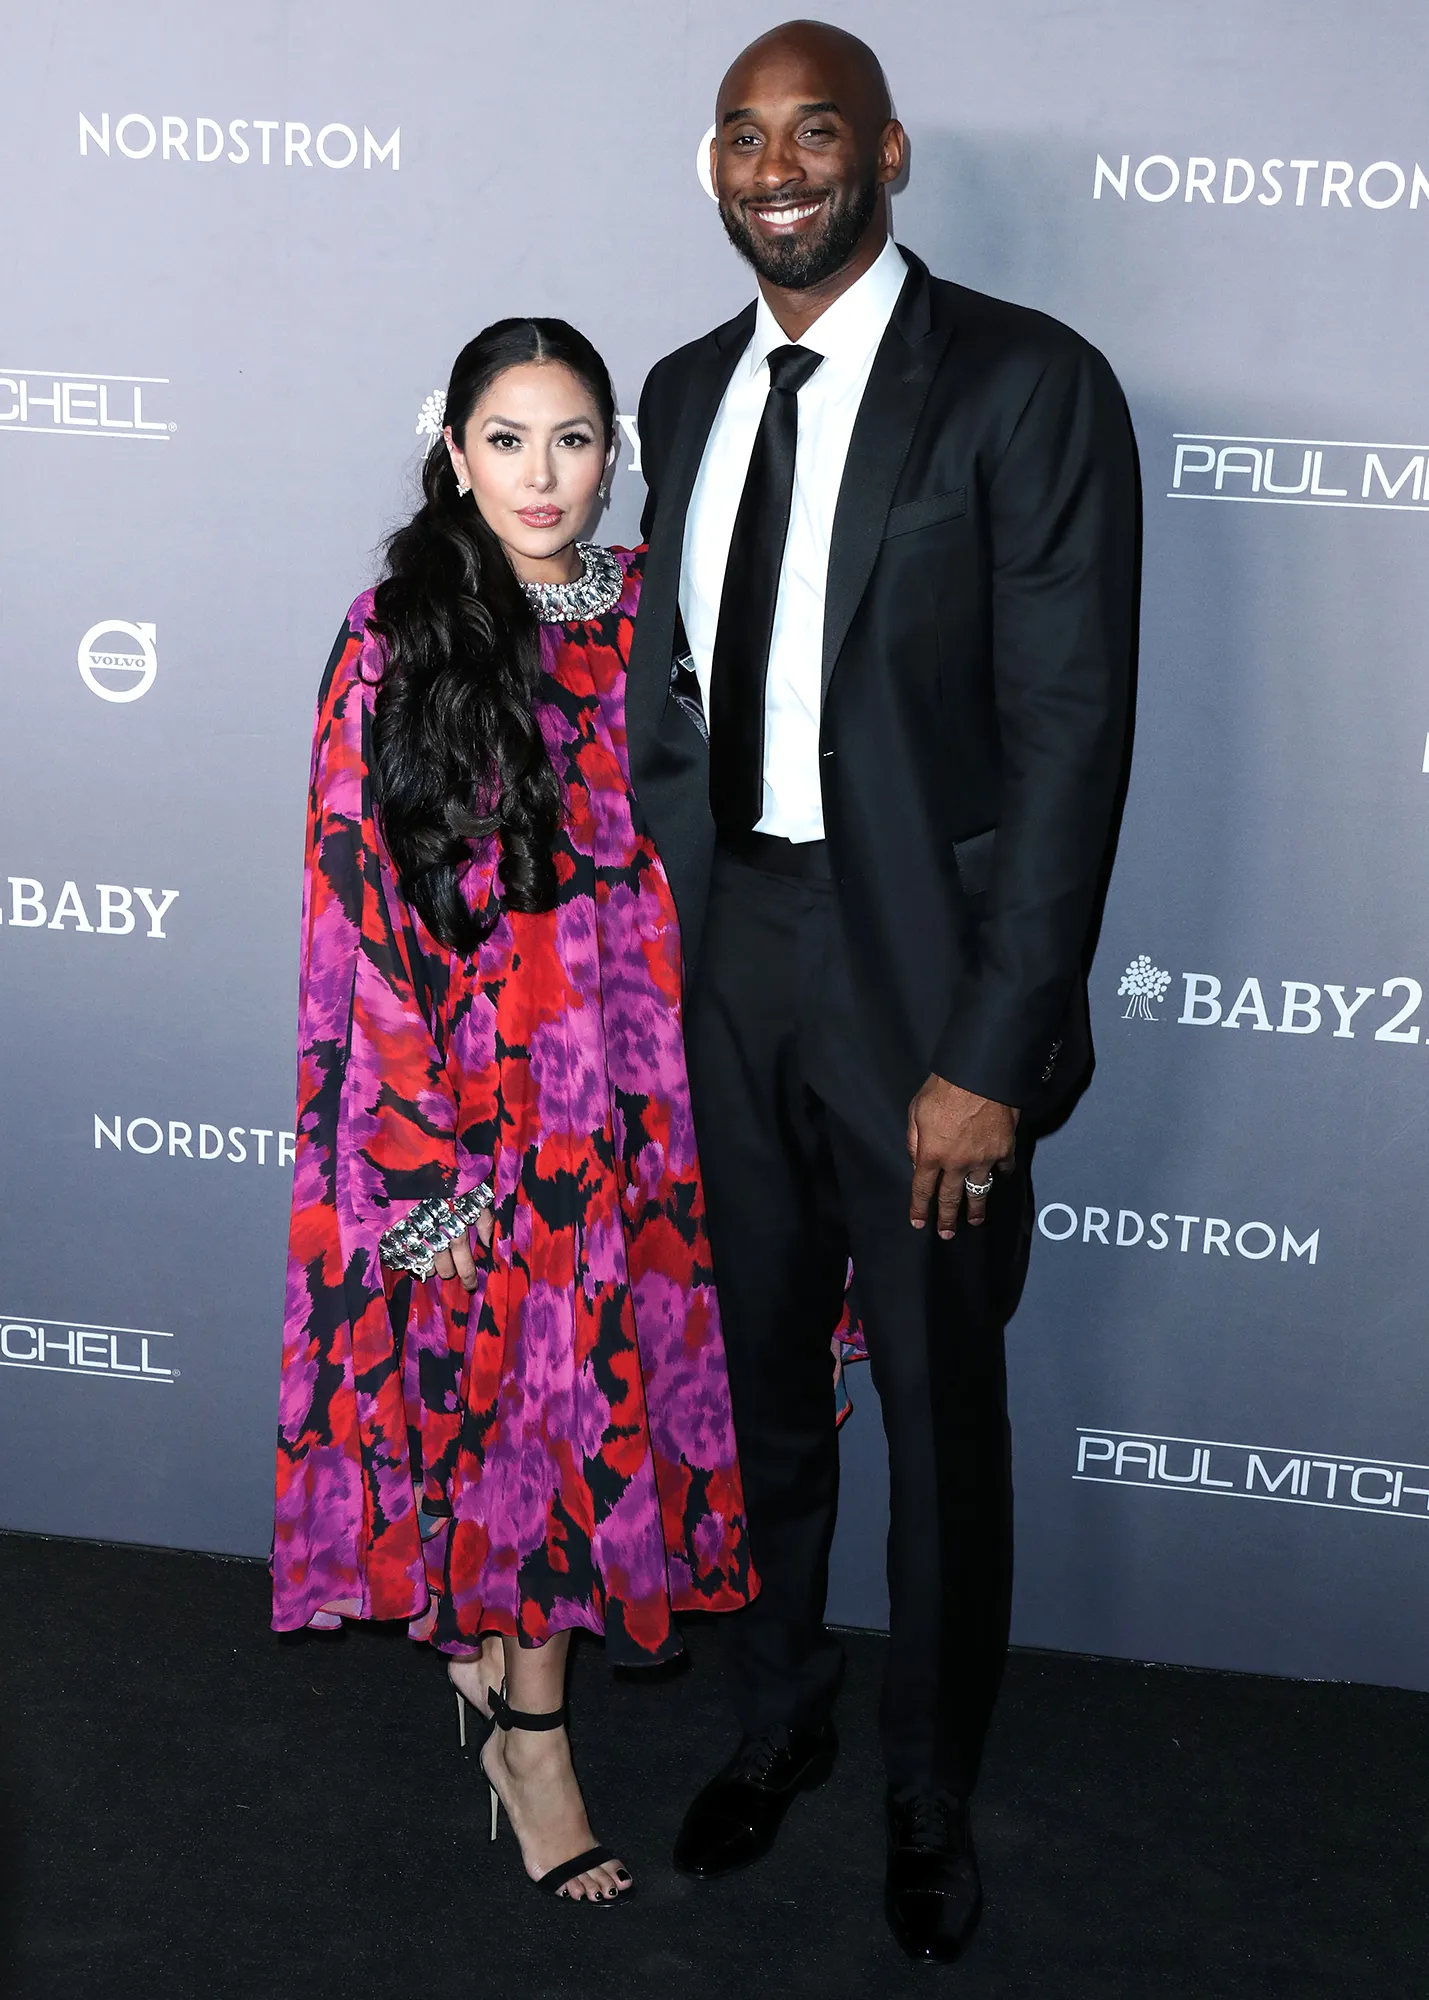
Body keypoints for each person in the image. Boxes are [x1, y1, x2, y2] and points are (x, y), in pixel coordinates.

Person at [626, 20, 1138, 1962]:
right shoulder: (685, 389)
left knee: (935, 1406)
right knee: (765, 1381)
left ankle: (931, 1788)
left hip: (924, 984)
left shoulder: (1024, 381)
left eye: (814, 131)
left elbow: (1071, 737)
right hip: (732, 959)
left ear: (890, 152)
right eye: (743, 137)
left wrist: (989, 1052)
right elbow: (677, 694)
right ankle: (783, 1715)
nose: (776, 168)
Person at [272, 317, 756, 1906]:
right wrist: (422, 1164)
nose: (542, 476)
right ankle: (533, 1745)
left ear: (615, 455)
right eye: (506, 438)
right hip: (482, 1109)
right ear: (454, 451)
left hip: (643, 1091)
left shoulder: (658, 617)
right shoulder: (397, 634)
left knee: (564, 1408)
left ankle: (501, 1685)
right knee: (524, 1406)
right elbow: (353, 908)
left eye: (573, 440)